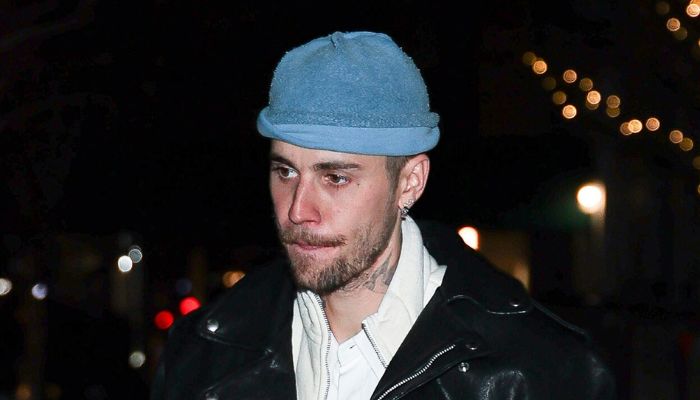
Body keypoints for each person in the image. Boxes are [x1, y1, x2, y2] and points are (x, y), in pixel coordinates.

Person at [151, 31, 617, 400]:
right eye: (285, 171)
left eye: (336, 177)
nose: (298, 209)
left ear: (410, 182)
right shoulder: (201, 354)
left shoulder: (540, 371)